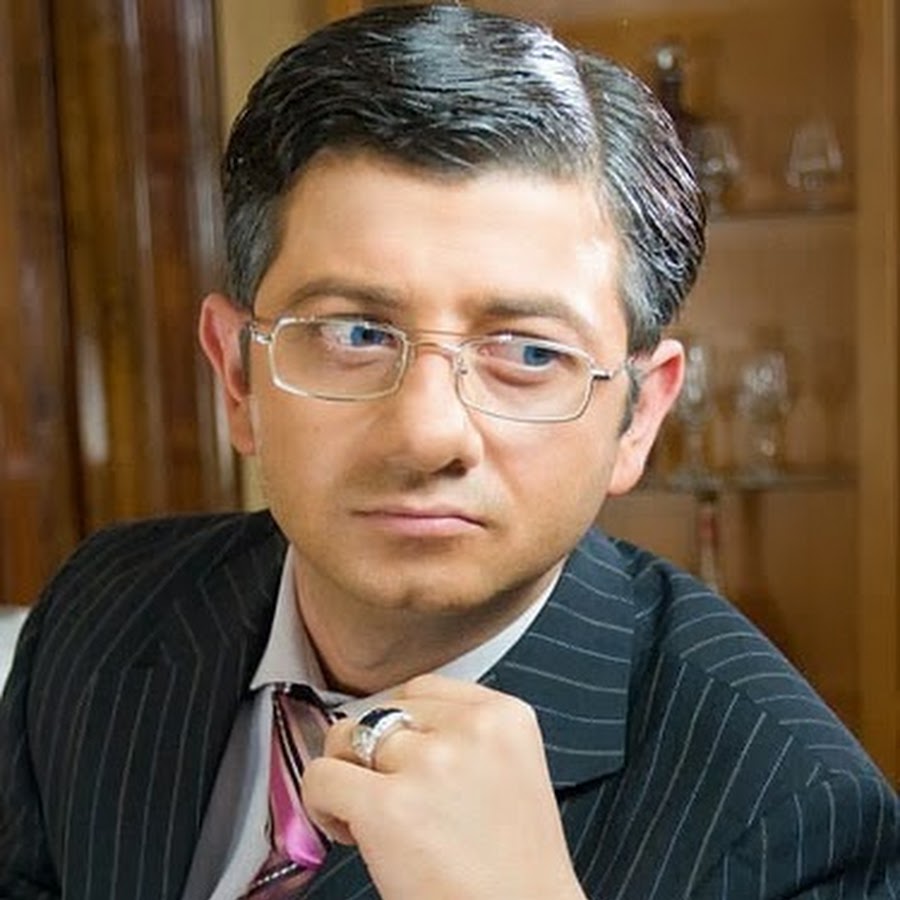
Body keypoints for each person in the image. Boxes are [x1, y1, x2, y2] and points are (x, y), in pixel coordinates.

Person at [1, 4, 897, 898]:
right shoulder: (102, 613)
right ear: (239, 378)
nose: (426, 435)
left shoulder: (792, 814)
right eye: (355, 333)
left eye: (529, 353)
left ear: (637, 417)